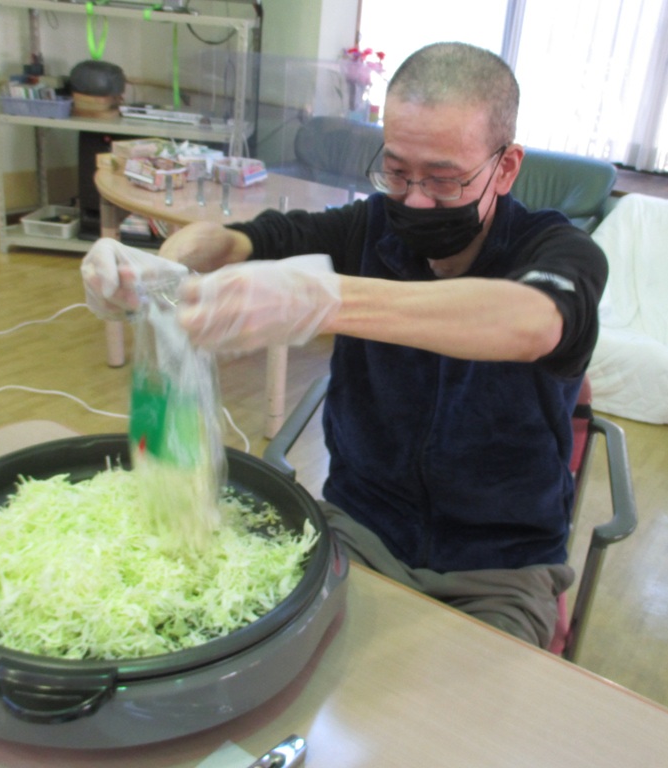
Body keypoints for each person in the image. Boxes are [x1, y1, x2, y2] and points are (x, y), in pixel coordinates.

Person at [82, 42, 608, 649]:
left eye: (443, 179)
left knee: (465, 709)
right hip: (358, 530)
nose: (415, 199)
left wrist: (326, 300)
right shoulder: (368, 227)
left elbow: (533, 322)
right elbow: (241, 241)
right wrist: (166, 266)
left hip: (497, 569)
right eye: (397, 171)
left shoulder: (560, 252)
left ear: (507, 167)